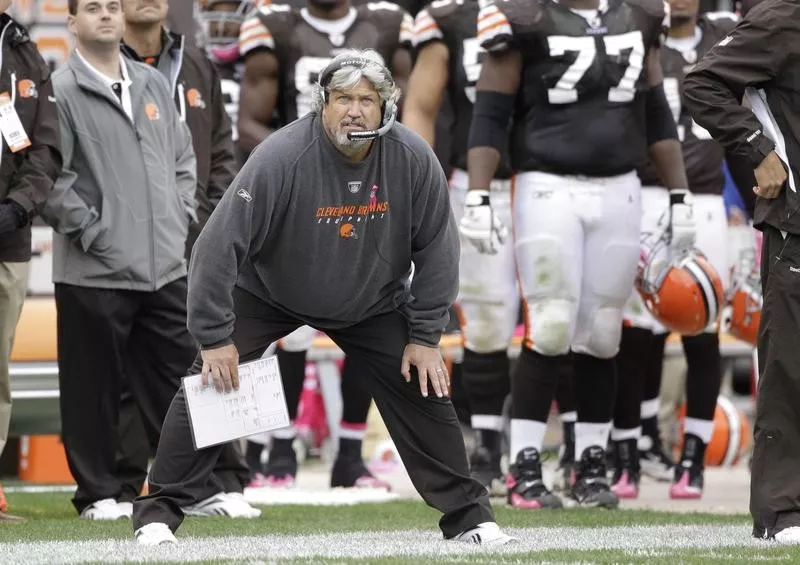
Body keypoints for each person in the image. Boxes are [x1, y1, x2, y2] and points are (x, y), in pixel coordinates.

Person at [132, 49, 513, 547]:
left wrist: (424, 335)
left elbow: (440, 251)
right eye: (342, 99)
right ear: (322, 105)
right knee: (209, 381)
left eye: (366, 100)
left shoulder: (414, 157)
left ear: (386, 109)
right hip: (269, 292)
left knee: (424, 382)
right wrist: (214, 337)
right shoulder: (281, 155)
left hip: (371, 301)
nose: (354, 110)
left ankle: (469, 519)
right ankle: (158, 513)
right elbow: (215, 246)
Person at [466, 0, 693, 508]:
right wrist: (479, 193)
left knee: (604, 332)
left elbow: (656, 111)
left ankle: (590, 464)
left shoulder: (641, 13)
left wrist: (680, 194)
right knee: (548, 325)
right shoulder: (521, 14)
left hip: (620, 186)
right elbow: (490, 111)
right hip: (547, 183)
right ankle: (524, 464)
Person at [403, 0, 576, 503]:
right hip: (473, 181)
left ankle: (574, 444)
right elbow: (421, 105)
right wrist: (422, 181)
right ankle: (487, 444)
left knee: (559, 313)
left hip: (546, 174)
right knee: (484, 316)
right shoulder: (450, 16)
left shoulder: (555, 13)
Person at [236, 0, 412, 489]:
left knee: (369, 313)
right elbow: (249, 123)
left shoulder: (387, 21)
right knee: (289, 328)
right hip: (302, 186)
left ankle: (350, 456)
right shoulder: (275, 24)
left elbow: (406, 118)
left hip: (368, 186)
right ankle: (281, 451)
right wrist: (298, 166)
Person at [39, 0, 199, 521]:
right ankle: (98, 494)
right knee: (94, 388)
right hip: (94, 268)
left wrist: (178, 217)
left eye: (112, 6)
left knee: (180, 381)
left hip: (163, 265)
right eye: (92, 8)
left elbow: (182, 157)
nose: (106, 15)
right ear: (72, 23)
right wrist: (93, 231)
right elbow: (49, 175)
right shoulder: (58, 90)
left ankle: (195, 485)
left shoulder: (151, 84)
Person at [115, 0, 254, 513]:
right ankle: (129, 484)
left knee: (204, 354)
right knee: (134, 363)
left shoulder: (195, 64)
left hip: (197, 239)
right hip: (130, 240)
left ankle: (224, 478)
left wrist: (214, 220)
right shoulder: (106, 63)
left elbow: (221, 149)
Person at [610, 1, 739, 500]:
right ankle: (630, 451)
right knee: (637, 333)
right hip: (643, 195)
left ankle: (693, 459)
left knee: (701, 332)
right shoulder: (637, 33)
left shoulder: (728, 35)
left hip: (705, 200)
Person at [683, 0, 800, 544]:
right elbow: (701, 83)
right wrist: (757, 149)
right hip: (797, 222)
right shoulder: (782, 19)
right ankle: (783, 511)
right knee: (789, 367)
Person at [0, 0, 62, 519]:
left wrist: (19, 206)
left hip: (7, 241)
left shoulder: (25, 53)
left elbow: (45, 145)